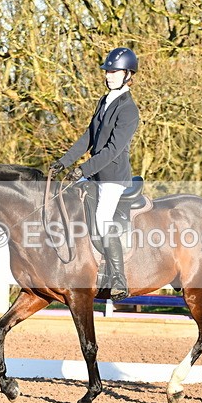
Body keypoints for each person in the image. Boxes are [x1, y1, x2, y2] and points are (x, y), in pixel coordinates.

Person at [48, 47, 140, 301]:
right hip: (94, 174)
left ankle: (119, 278)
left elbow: (112, 149)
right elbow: (89, 136)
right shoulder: (105, 100)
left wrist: (83, 169)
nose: (109, 76)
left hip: (113, 177)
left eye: (114, 72)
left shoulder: (129, 109)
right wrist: (64, 162)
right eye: (107, 71)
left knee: (102, 219)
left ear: (127, 74)